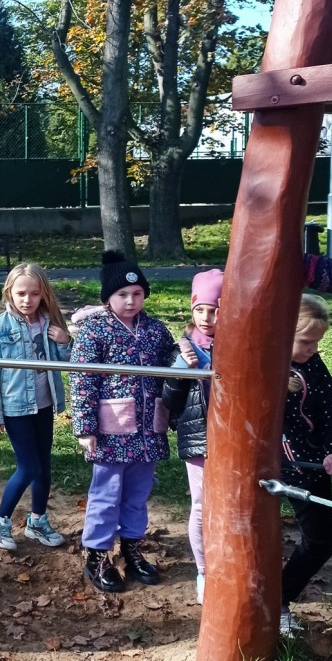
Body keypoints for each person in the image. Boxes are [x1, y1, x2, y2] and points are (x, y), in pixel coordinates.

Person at [69, 250, 175, 593]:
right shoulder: (94, 331)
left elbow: (173, 368)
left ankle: (131, 548)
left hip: (148, 431)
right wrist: (85, 427)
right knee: (107, 494)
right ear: (107, 297)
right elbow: (82, 379)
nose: (131, 301)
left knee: (138, 494)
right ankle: (97, 556)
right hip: (110, 432)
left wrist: (187, 352)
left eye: (137, 293)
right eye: (122, 294)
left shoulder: (156, 330)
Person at [0, 263, 71, 551]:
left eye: (34, 293)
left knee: (43, 466)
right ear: (9, 292)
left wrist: (65, 341)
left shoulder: (49, 324)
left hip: (43, 405)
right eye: (21, 293)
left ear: (44, 294)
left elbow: (69, 362)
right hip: (15, 408)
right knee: (29, 466)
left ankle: (37, 521)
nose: (27, 300)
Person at [160, 268, 224, 605]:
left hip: (232, 439)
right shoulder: (184, 348)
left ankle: (227, 564)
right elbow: (170, 401)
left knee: (230, 504)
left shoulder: (237, 344)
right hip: (199, 438)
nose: (206, 318)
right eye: (200, 309)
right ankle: (203, 572)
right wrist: (180, 372)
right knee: (201, 505)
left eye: (215, 310)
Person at [278, 294, 332, 636]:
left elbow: (330, 407)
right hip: (279, 467)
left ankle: (280, 596)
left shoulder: (313, 364)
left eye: (318, 342)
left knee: (320, 542)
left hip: (312, 466)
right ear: (284, 332)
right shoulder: (265, 365)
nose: (314, 349)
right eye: (307, 342)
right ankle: (277, 602)